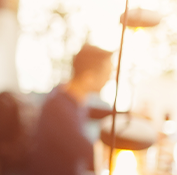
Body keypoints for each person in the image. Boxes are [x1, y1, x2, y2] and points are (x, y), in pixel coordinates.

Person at [27, 44, 114, 175]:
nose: (109, 79)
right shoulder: (58, 110)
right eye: (107, 74)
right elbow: (89, 152)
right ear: (88, 78)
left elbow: (91, 111)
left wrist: (127, 115)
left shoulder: (69, 98)